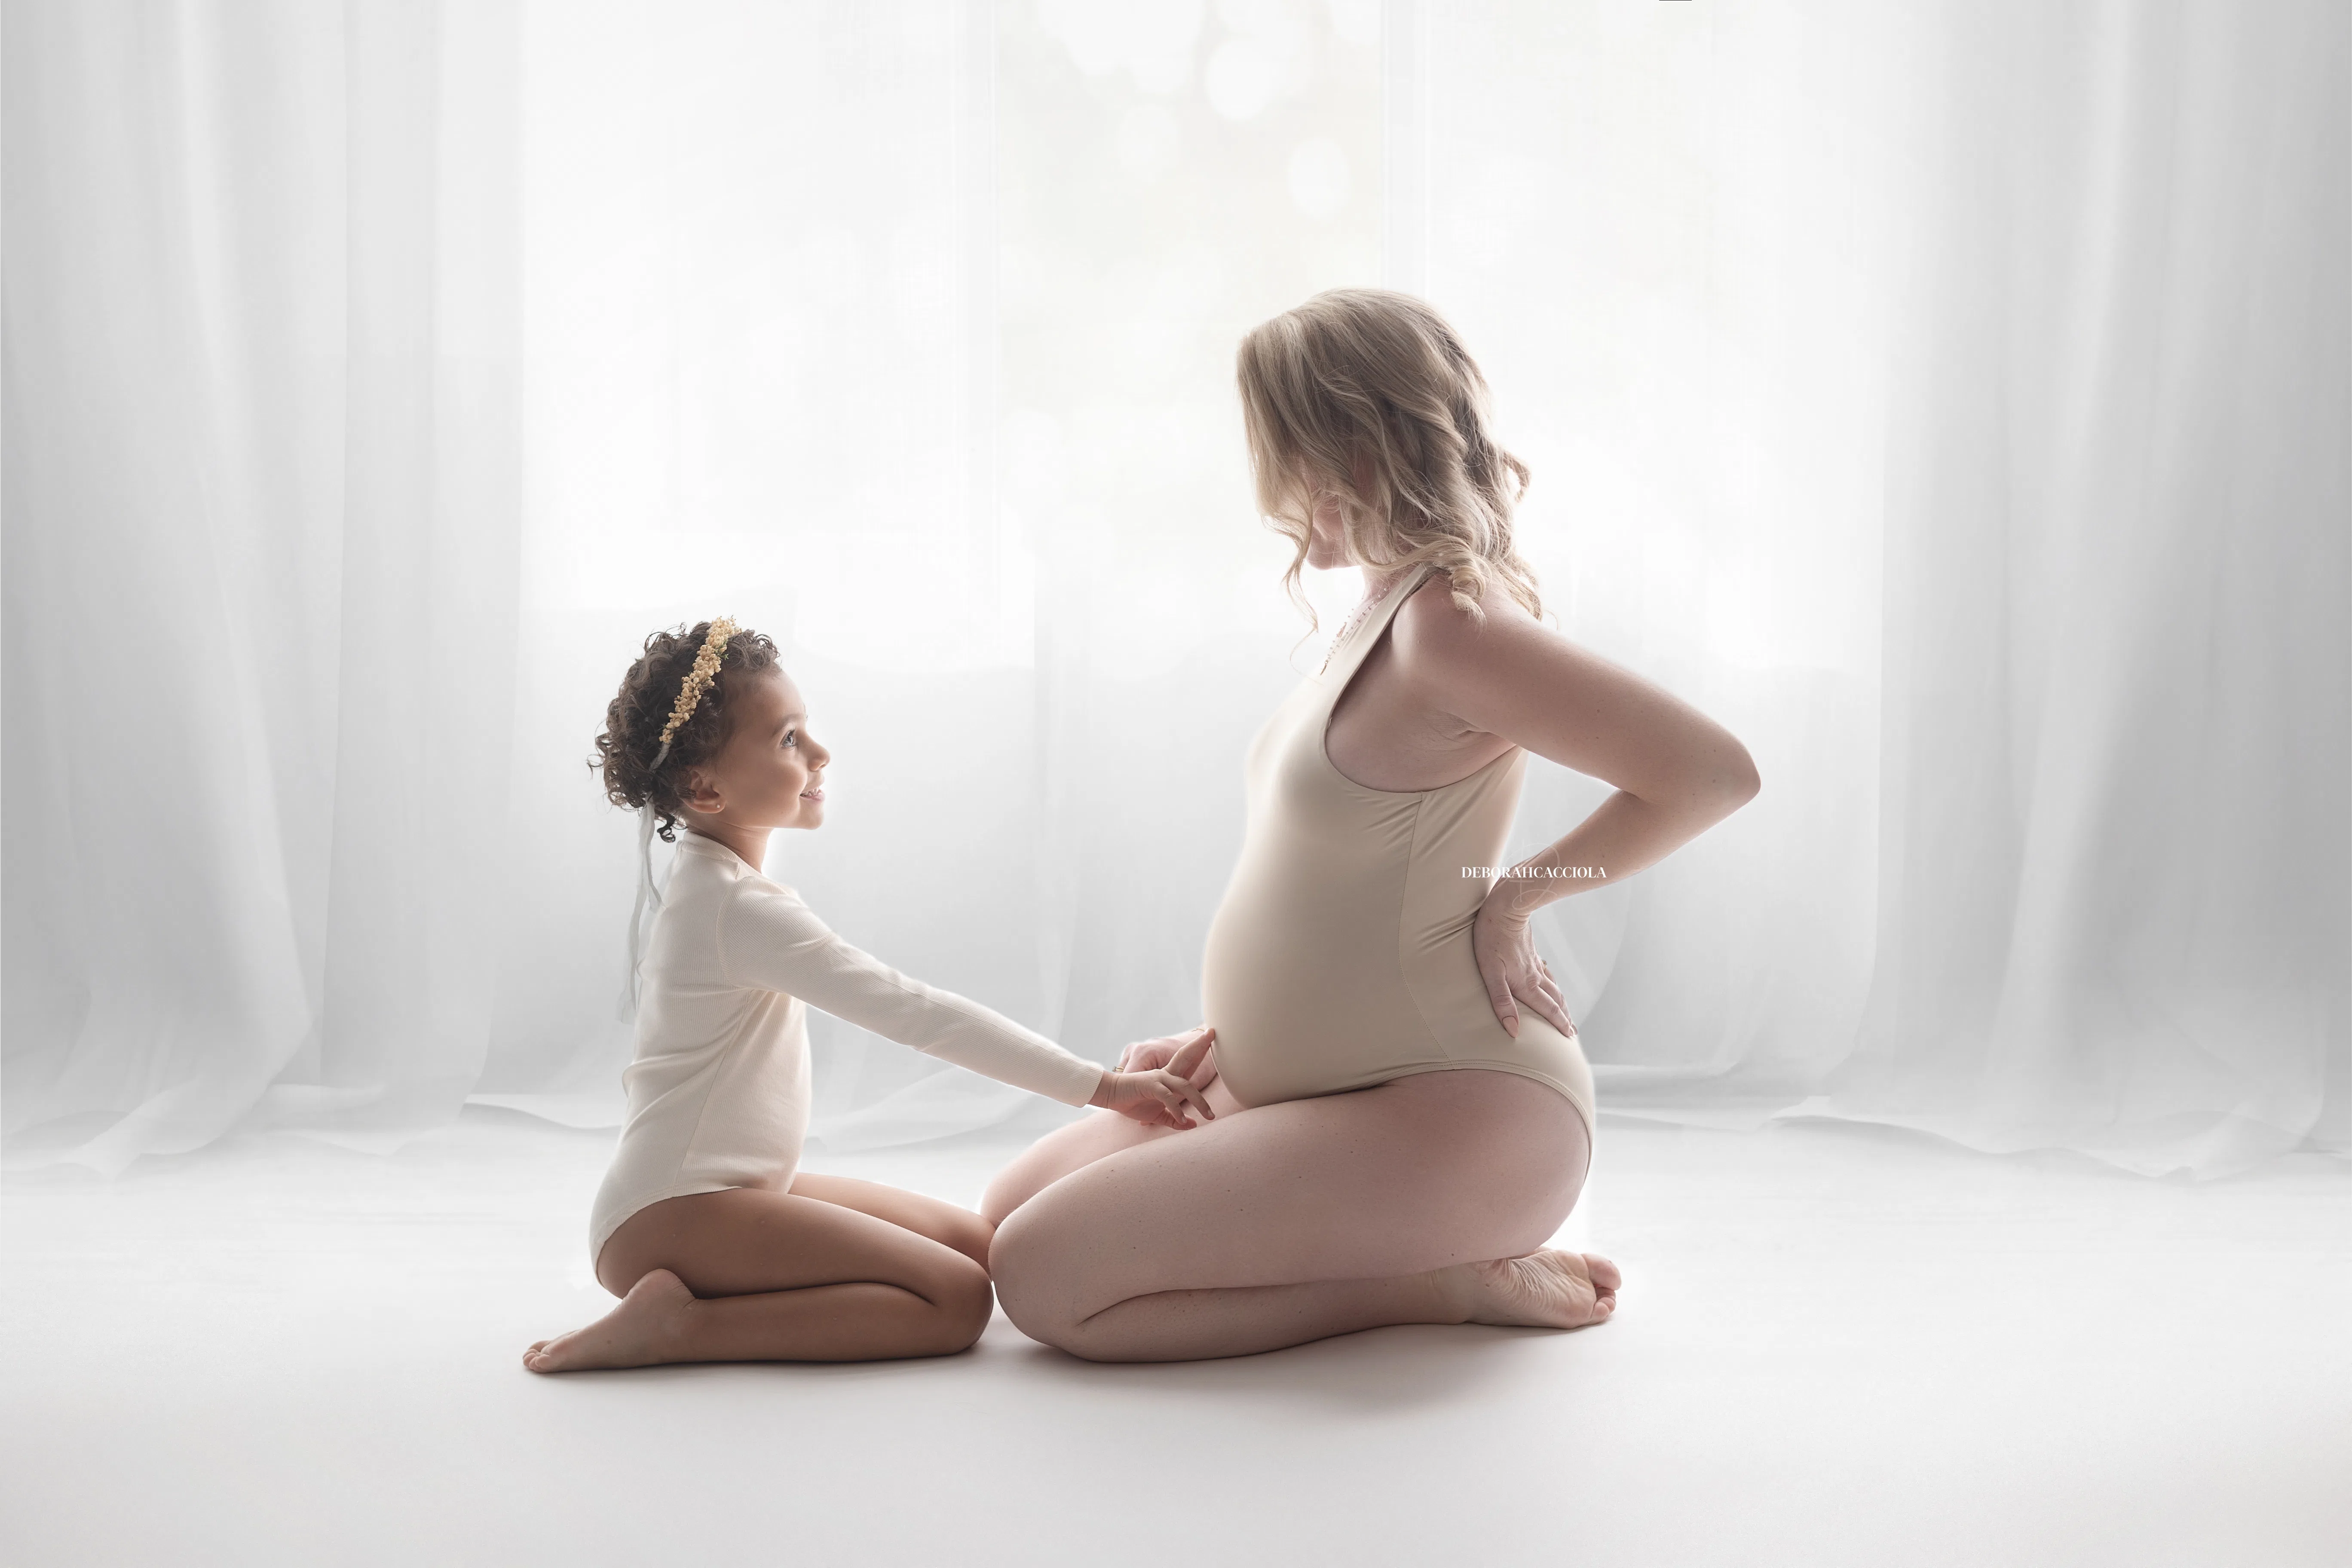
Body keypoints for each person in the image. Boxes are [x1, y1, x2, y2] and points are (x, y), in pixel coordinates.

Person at [983, 288, 1761, 1362]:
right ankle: (1391, 1238)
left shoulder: (1451, 626)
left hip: (1458, 1108)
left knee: (1047, 1280)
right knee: (1001, 1220)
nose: (1271, 491)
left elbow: (1712, 775)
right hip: (1314, 1081)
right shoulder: (1381, 612)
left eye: (1283, 452)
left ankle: (1438, 1284)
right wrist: (1242, 1033)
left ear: (1348, 449)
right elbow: (1337, 877)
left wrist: (1519, 895)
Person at [524, 618, 1216, 1372]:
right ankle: (680, 1328)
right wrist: (1105, 1087)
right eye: (788, 739)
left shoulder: (720, 888)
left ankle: (708, 1304)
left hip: (728, 1193)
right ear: (705, 787)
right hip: (668, 1217)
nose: (819, 753)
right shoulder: (735, 909)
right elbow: (918, 1015)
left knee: (985, 1251)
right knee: (953, 1302)